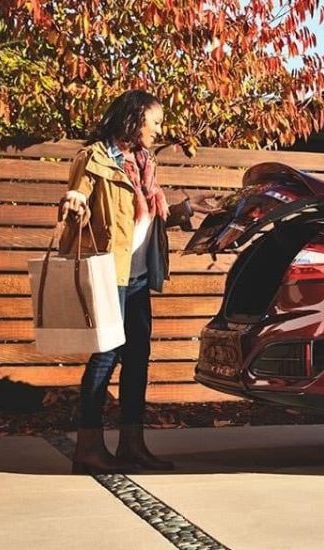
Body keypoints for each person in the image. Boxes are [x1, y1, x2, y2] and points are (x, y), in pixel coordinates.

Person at [57, 90, 221, 474]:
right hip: (110, 273)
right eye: (156, 121)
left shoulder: (144, 162)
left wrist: (183, 209)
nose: (159, 129)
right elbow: (79, 194)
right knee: (105, 356)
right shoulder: (95, 158)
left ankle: (132, 444)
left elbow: (147, 218)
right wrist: (75, 201)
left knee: (137, 359)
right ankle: (89, 447)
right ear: (134, 119)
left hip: (139, 274)